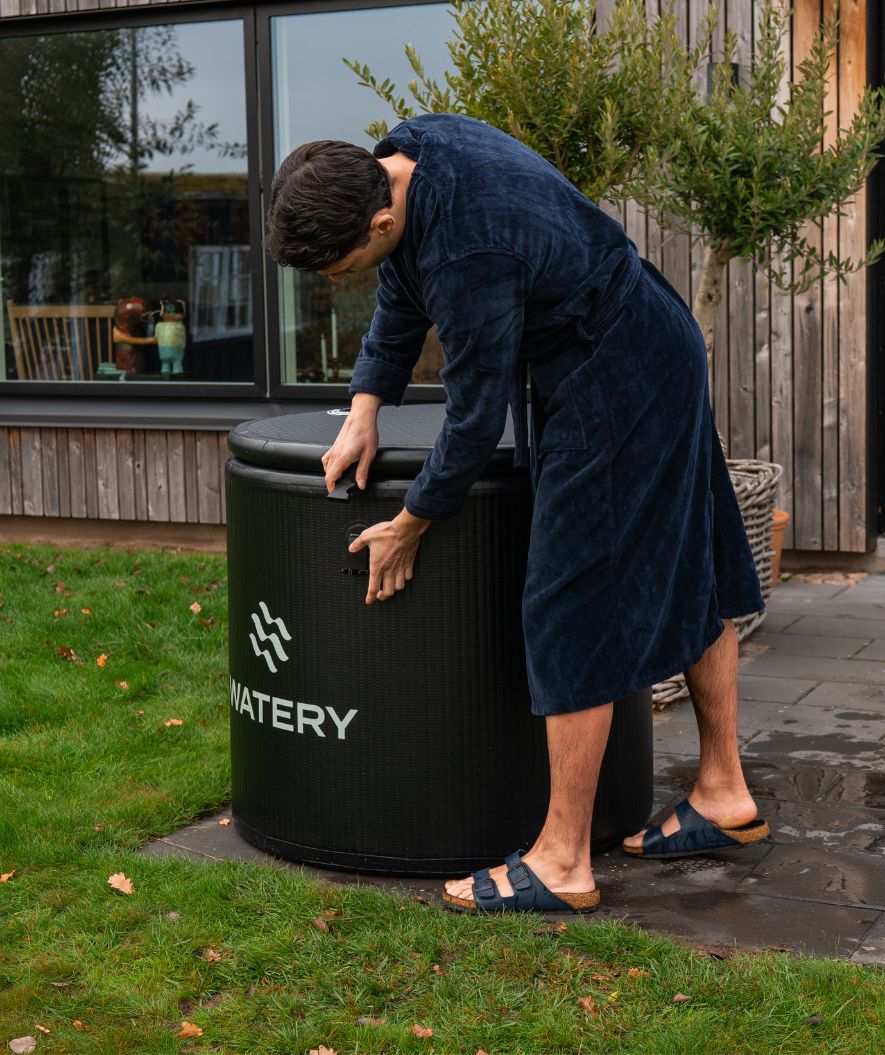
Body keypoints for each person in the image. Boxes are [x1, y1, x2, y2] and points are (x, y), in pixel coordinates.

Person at [265, 113, 770, 914]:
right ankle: (721, 791)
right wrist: (364, 406)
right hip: (648, 338)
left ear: (381, 217)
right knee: (687, 552)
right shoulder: (413, 145)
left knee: (570, 599)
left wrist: (411, 522)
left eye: (341, 263)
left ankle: (562, 859)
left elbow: (472, 417)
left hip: (618, 371)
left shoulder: (471, 250)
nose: (340, 280)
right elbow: (401, 288)